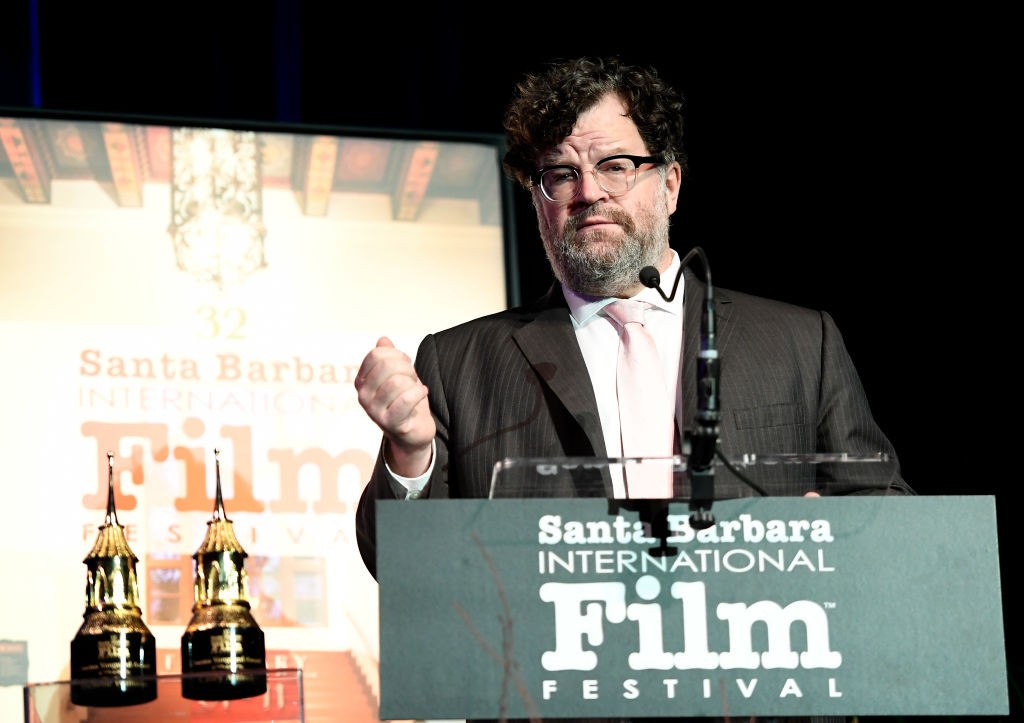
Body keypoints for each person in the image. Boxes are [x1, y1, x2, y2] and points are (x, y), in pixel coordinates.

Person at [353, 55, 914, 722]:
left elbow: (893, 527)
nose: (589, 191)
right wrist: (409, 455)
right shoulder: (462, 360)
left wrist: (837, 538)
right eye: (560, 173)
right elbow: (406, 573)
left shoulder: (799, 341)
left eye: (616, 165)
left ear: (670, 182)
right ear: (537, 200)